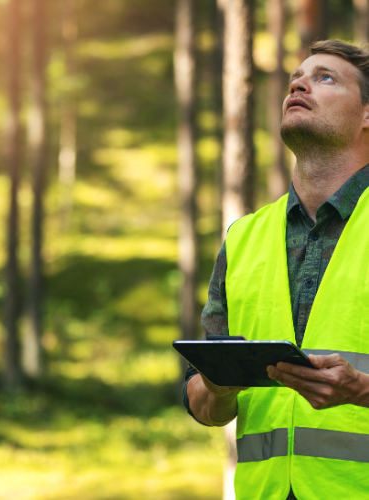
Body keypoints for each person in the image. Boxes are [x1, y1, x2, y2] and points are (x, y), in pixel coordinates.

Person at [184, 39, 369, 500]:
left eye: (325, 77)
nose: (300, 83)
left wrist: (362, 390)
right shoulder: (243, 237)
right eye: (296, 77)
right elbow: (204, 404)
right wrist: (216, 387)